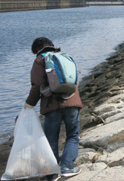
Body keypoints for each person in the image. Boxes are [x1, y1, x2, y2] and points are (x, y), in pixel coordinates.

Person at [24, 37, 83, 181]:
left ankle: (53, 173)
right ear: (51, 45)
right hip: (72, 101)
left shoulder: (40, 60)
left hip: (52, 105)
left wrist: (29, 104)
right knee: (73, 135)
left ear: (37, 50)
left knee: (51, 139)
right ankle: (68, 167)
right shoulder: (64, 56)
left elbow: (36, 86)